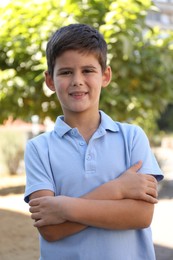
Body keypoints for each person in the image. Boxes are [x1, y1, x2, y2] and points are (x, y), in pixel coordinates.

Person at [24, 23, 163, 260]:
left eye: (88, 70)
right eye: (66, 72)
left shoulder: (132, 137)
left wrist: (62, 207)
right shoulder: (39, 148)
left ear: (105, 75)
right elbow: (50, 229)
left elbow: (140, 215)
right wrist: (117, 189)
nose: (77, 80)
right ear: (49, 80)